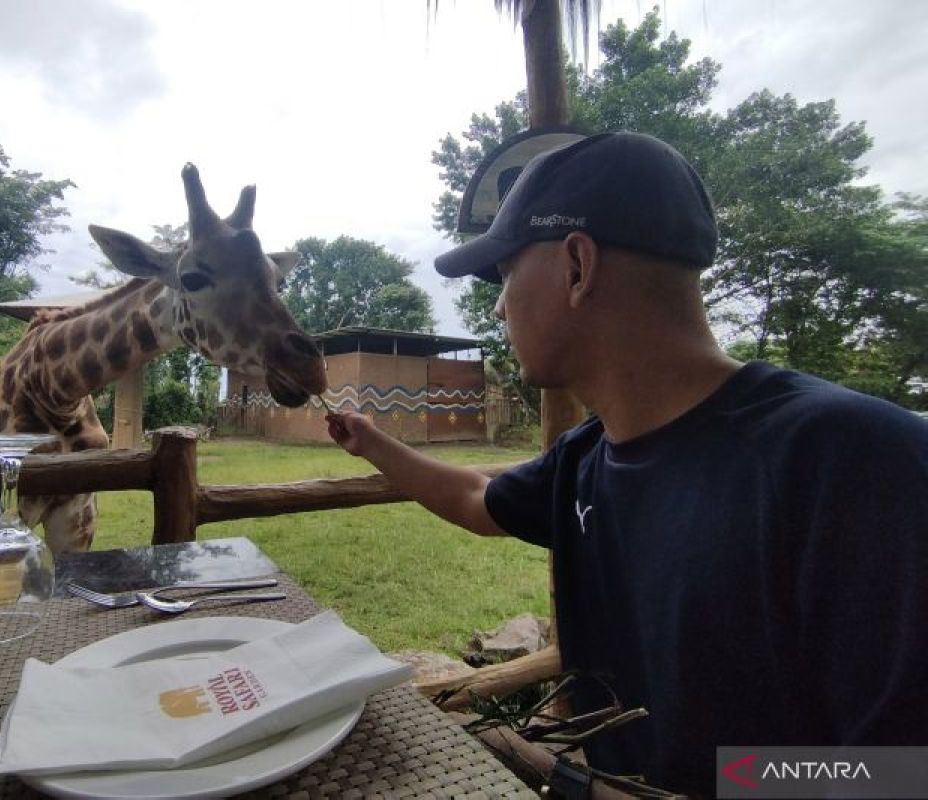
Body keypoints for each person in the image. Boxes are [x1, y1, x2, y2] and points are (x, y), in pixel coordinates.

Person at [326, 132, 928, 798]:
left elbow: (901, 773)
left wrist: (716, 781)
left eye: (505, 276)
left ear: (578, 266)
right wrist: (372, 443)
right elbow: (475, 496)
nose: (499, 306)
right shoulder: (586, 458)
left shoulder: (853, 460)